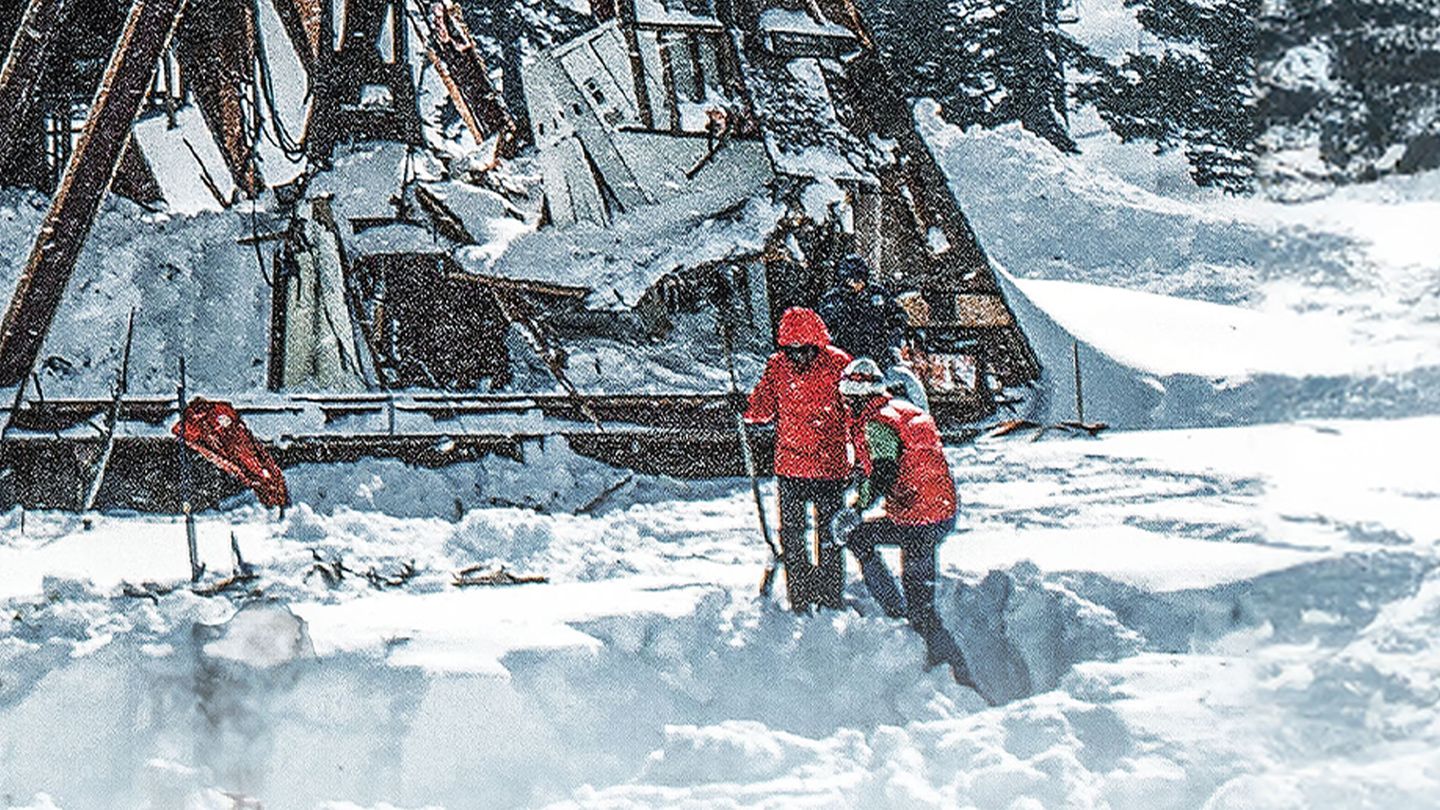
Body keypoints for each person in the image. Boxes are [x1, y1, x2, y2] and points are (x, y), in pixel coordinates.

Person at [831, 357, 977, 689]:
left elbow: (884, 471)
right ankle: (907, 620)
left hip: (917, 521)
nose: (846, 406)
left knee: (921, 609)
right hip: (939, 512)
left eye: (848, 399)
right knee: (864, 538)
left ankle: (958, 680)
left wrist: (857, 508)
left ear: (857, 398)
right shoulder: (903, 411)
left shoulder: (875, 424)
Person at [744, 307, 853, 612]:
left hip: (829, 467)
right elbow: (761, 410)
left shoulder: (838, 365)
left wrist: (859, 454)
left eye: (804, 350)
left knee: (829, 536)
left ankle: (829, 596)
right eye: (791, 351)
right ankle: (800, 597)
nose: (798, 357)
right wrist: (745, 406)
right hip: (791, 468)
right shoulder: (777, 367)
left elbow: (853, 413)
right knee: (792, 538)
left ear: (818, 344)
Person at [817, 254, 905, 370]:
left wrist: (893, 342)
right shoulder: (832, 300)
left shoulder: (877, 294)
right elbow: (822, 328)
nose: (858, 283)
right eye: (852, 280)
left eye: (861, 279)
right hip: (844, 358)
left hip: (878, 355)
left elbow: (898, 316)